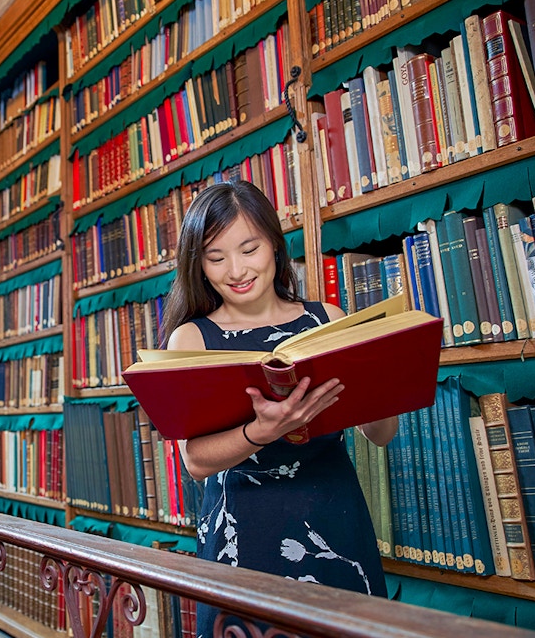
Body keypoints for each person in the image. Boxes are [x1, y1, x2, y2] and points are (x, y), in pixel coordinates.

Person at [159, 181, 396, 634]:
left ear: (273, 244)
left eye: (249, 249)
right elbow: (194, 461)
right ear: (199, 265)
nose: (236, 270)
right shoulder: (191, 339)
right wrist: (259, 433)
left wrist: (378, 384)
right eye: (216, 257)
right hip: (245, 527)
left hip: (333, 512)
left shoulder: (326, 318)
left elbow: (381, 434)